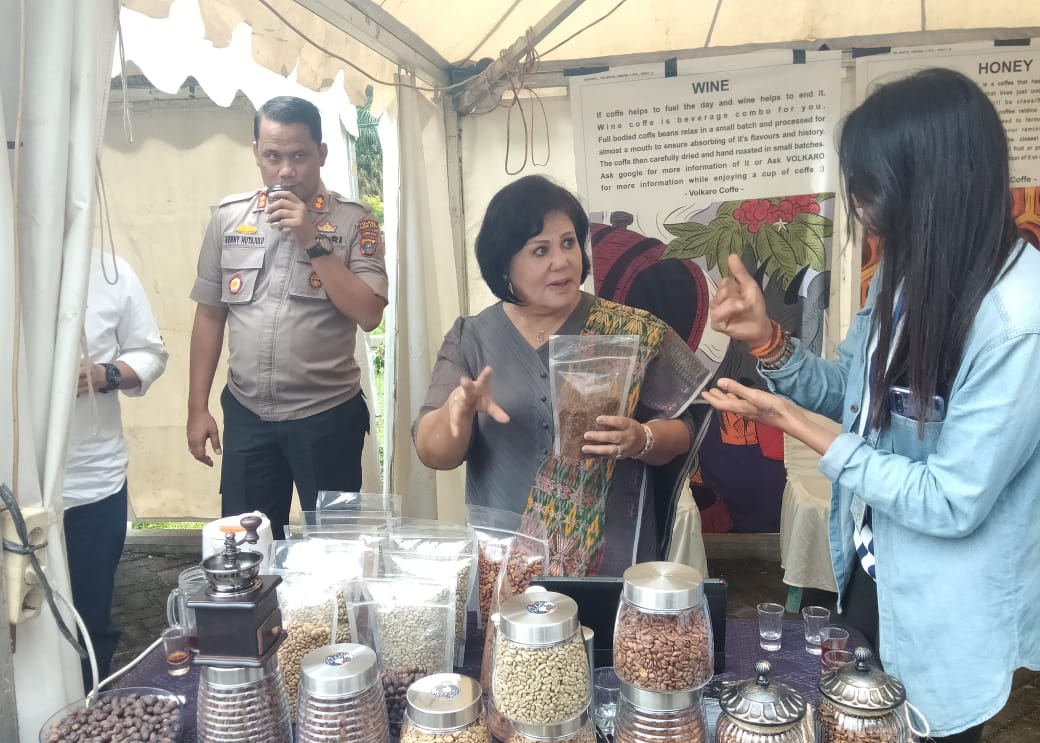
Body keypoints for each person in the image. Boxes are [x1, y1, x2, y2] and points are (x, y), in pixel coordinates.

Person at [702, 68, 1040, 743]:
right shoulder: (908, 273)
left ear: (935, 181)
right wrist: (770, 343)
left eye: (870, 188)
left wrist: (806, 429)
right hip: (872, 573)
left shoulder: (1017, 319)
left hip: (949, 610)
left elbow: (952, 501)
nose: (862, 208)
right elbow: (850, 397)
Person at [413, 175, 711, 576]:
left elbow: (685, 430)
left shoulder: (631, 329)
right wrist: (459, 409)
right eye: (540, 250)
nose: (562, 261)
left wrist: (641, 439)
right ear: (505, 263)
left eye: (568, 243)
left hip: (612, 557)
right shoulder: (472, 338)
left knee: (609, 640)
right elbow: (434, 454)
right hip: (507, 565)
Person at [187, 96, 388, 539]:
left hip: (326, 415)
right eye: (273, 156)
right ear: (256, 151)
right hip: (247, 414)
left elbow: (370, 313)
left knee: (333, 548)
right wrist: (196, 407)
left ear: (321, 154)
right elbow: (209, 316)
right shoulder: (228, 218)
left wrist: (311, 238)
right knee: (245, 549)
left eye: (299, 156)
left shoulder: (358, 223)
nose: (286, 170)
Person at [64, 248, 169, 691]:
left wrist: (105, 374)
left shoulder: (107, 272)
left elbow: (150, 354)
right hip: (12, 488)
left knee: (89, 615)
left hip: (91, 481)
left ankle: (90, 713)